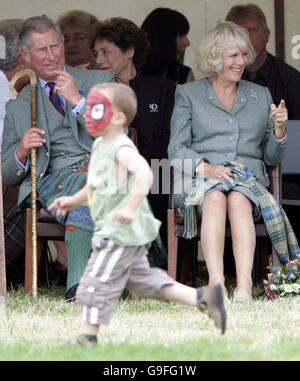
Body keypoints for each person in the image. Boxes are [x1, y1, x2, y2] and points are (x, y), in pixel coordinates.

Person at [48, 82, 227, 348]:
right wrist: (73, 200)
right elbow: (95, 185)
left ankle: (87, 335)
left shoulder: (121, 147)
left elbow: (145, 174)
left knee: (96, 279)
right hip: (116, 229)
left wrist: (130, 207)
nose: (88, 113)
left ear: (119, 118)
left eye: (96, 109)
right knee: (147, 282)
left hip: (123, 230)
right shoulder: (100, 146)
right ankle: (205, 299)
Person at [168, 21, 299, 303]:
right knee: (215, 198)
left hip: (247, 180)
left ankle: (243, 286)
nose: (242, 62)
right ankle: (215, 283)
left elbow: (271, 158)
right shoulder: (188, 94)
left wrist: (279, 130)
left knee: (238, 199)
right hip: (200, 179)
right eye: (233, 56)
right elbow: (176, 148)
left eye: (243, 54)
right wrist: (208, 168)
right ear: (215, 58)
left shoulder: (259, 94)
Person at [1, 15, 114, 300]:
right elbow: (6, 174)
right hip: (51, 181)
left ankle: (77, 287)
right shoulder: (18, 106)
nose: (51, 56)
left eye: (55, 46)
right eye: (42, 50)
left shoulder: (100, 80)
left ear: (63, 45)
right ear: (26, 56)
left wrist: (79, 102)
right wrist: (22, 151)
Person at [94, 17, 176, 259]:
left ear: (129, 51)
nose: (99, 60)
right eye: (97, 53)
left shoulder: (162, 89)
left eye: (106, 52)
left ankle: (153, 259)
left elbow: (170, 139)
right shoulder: (95, 91)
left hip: (156, 174)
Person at [226, 3, 300, 120]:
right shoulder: (223, 78)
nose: (247, 38)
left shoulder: (291, 80)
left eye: (253, 30)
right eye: (240, 32)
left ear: (267, 35)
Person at [141, 7, 195, 84]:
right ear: (163, 39)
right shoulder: (130, 73)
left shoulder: (183, 74)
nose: (187, 42)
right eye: (181, 35)